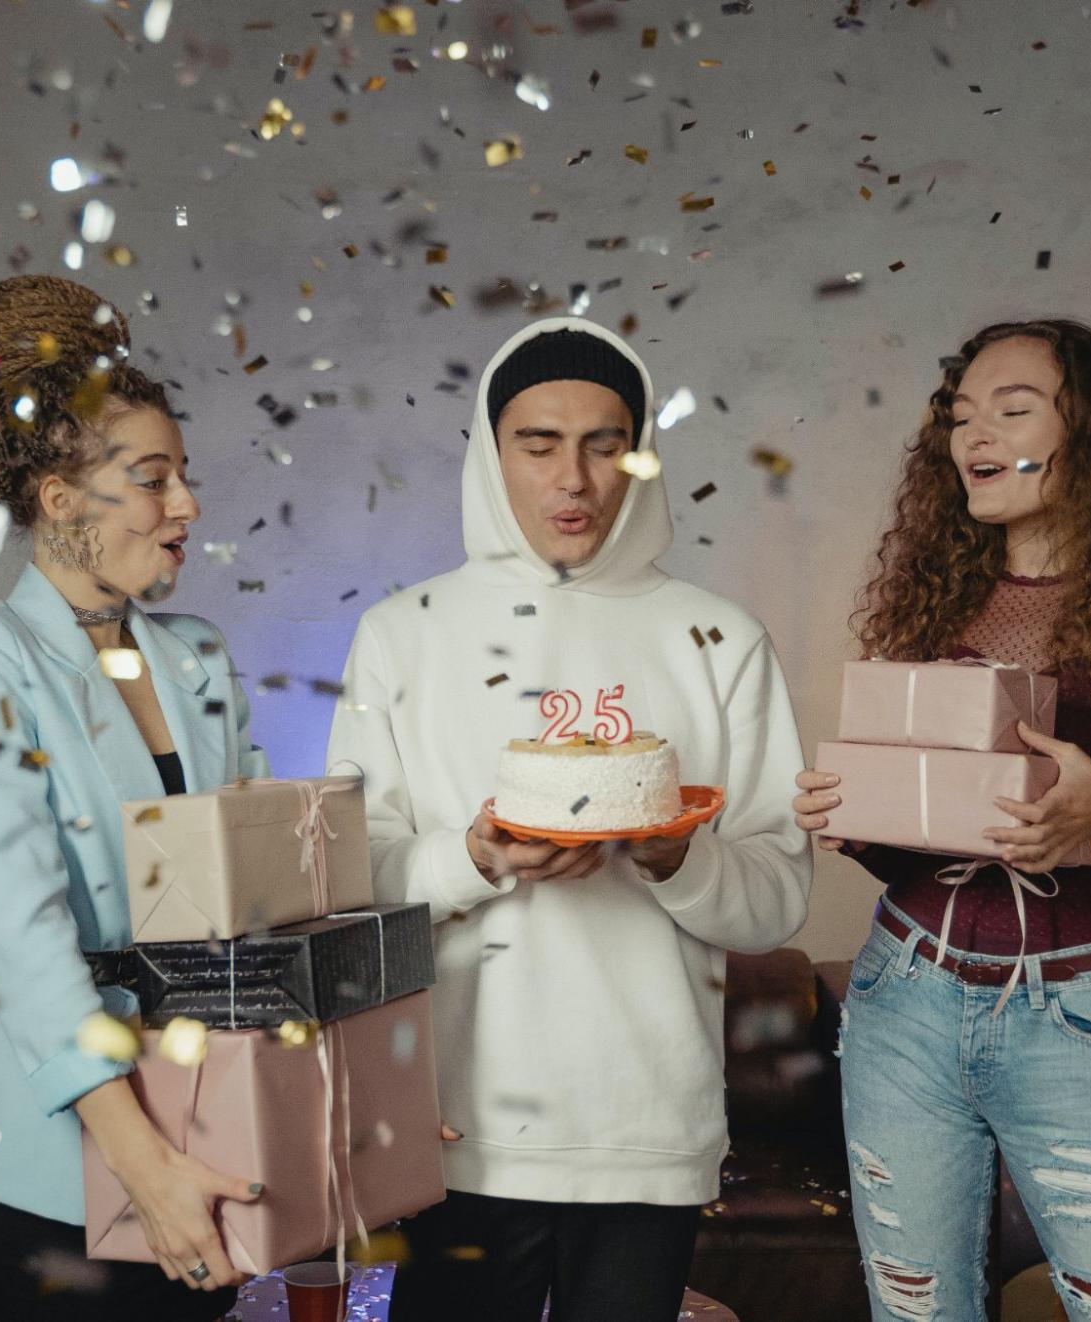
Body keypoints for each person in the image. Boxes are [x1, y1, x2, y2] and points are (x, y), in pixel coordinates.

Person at [327, 317, 814, 1322]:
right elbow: (350, 879)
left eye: (605, 441)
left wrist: (678, 856)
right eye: (538, 442)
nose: (575, 478)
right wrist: (471, 855)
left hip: (646, 1125)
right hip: (456, 1121)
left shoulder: (717, 637)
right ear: (489, 451)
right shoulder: (402, 635)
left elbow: (774, 902)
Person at [794, 319, 1091, 1319]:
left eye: (1012, 409)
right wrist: (855, 816)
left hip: (1077, 1015)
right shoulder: (938, 596)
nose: (974, 435)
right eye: (961, 416)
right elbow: (927, 850)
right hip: (900, 1002)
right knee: (917, 1309)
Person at [0, 274, 268, 1319]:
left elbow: (260, 896)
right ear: (60, 499)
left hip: (205, 1118)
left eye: (184, 476)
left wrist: (339, 1090)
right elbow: (23, 938)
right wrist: (143, 1164)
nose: (188, 506)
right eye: (154, 479)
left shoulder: (198, 653)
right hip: (51, 1153)